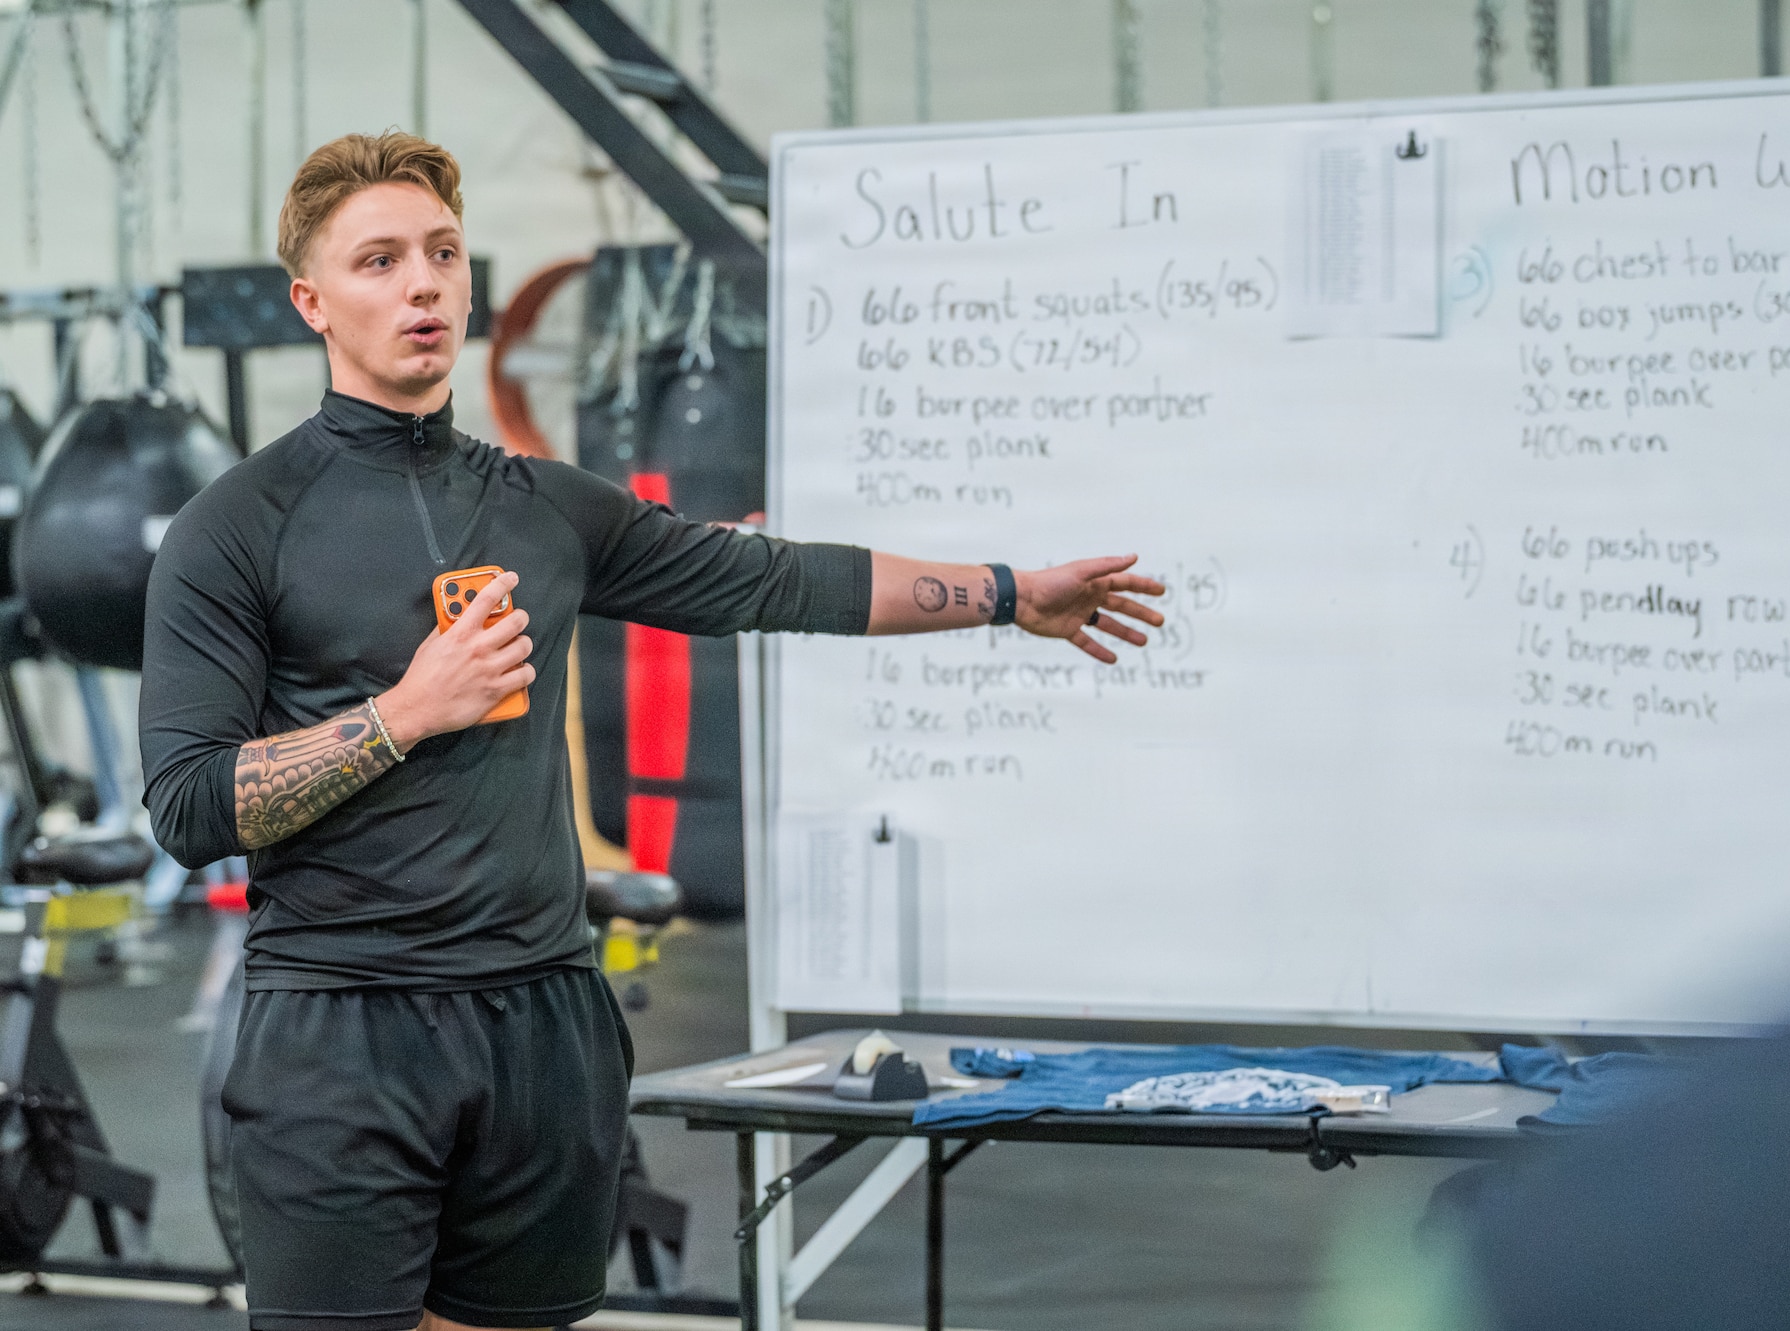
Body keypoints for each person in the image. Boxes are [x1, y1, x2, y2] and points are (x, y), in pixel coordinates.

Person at [138, 132, 1164, 1331]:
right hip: (341, 1033)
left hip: (544, 1026)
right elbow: (191, 803)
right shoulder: (236, 527)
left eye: (442, 254)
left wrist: (1002, 591)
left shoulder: (549, 507)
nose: (421, 283)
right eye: (378, 260)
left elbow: (776, 581)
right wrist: (406, 712)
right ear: (313, 301)